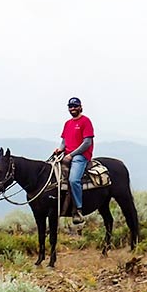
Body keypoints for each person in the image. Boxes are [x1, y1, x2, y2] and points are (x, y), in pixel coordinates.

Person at [53, 96, 94, 225]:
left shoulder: (85, 121)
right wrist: (60, 149)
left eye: (75, 106)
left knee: (73, 180)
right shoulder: (68, 123)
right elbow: (64, 140)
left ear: (80, 107)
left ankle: (78, 209)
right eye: (70, 107)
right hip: (67, 154)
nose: (73, 109)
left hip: (81, 155)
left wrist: (72, 154)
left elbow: (87, 142)